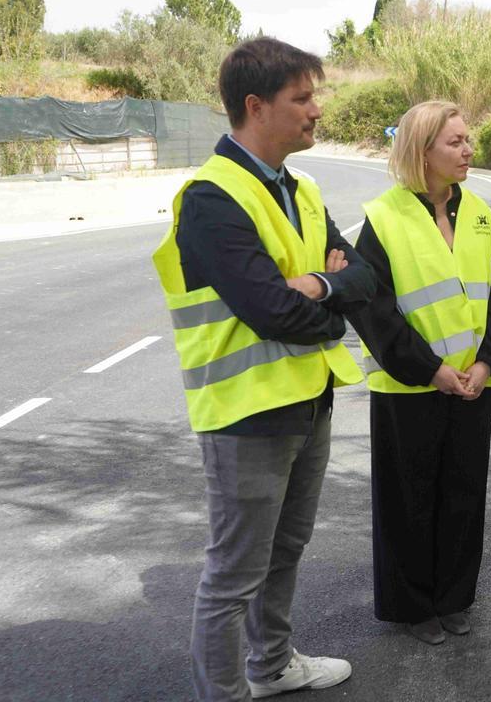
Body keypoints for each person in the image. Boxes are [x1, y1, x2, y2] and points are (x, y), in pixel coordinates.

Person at [152, 37, 376, 701]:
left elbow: (363, 273)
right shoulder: (211, 198)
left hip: (309, 398)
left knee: (285, 550)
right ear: (255, 106)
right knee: (232, 574)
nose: (316, 110)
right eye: (301, 98)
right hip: (246, 413)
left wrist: (316, 287)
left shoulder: (300, 187)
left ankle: (272, 666)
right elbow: (270, 312)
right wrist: (325, 294)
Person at [348, 101, 491, 646]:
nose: (469, 150)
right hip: (409, 387)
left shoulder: (481, 214)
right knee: (409, 499)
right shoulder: (383, 219)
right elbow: (374, 313)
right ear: (422, 151)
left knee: (464, 493)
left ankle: (454, 596)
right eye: (456, 142)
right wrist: (432, 370)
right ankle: (413, 605)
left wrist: (488, 361)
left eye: (469, 140)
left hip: (474, 383)